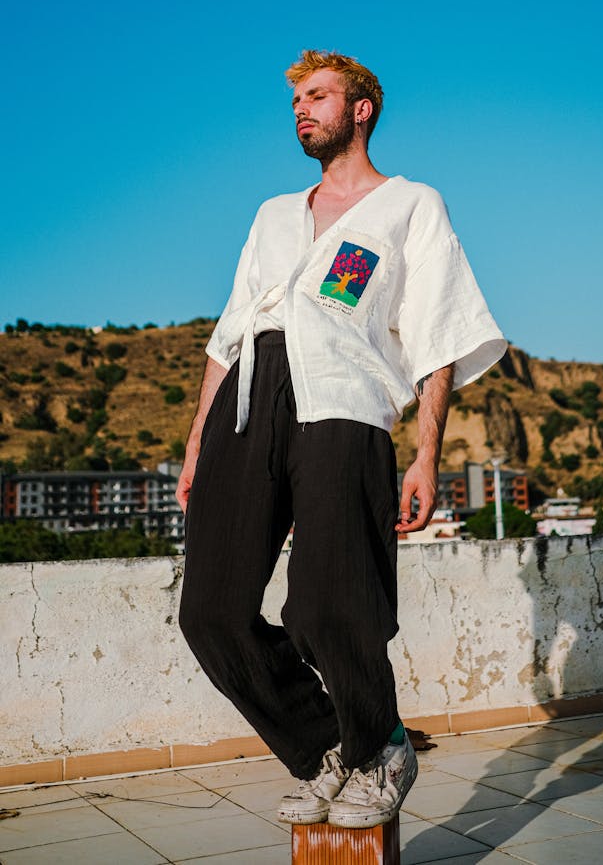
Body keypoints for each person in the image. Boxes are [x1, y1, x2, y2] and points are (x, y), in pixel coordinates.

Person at [177, 49, 506, 829]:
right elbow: (228, 337)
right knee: (211, 610)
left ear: (361, 109)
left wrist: (426, 452)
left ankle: (380, 745)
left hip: (347, 403)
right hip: (249, 404)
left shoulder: (410, 205)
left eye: (317, 95)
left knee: (329, 605)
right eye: (296, 100)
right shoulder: (270, 215)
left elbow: (439, 334)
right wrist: (197, 441)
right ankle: (330, 745)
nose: (301, 109)